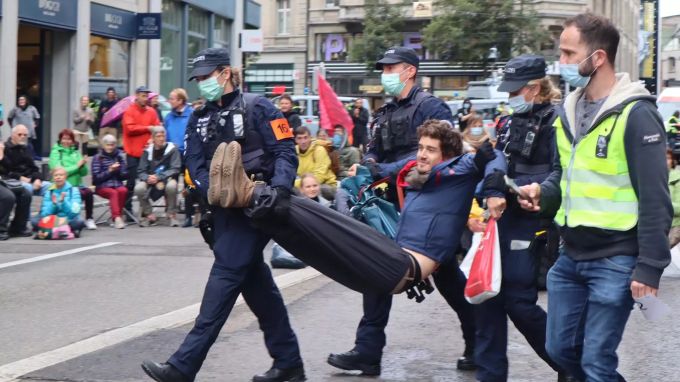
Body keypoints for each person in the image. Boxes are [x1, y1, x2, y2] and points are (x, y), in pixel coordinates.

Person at [518, 13, 671, 382]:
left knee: (597, 362)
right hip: (569, 257)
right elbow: (564, 177)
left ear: (598, 57)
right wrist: (544, 193)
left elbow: (655, 198)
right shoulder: (566, 112)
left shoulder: (637, 114)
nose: (562, 62)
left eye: (570, 54)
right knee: (559, 350)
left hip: (616, 259)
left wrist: (649, 267)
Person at [141, 48, 306, 382]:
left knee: (224, 278)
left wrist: (278, 191)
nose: (203, 83)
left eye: (207, 76)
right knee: (257, 286)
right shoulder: (198, 116)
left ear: (226, 73)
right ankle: (289, 363)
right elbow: (194, 162)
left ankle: (182, 366)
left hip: (257, 208)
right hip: (222, 210)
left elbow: (285, 151)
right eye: (198, 78)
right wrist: (210, 189)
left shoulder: (259, 107)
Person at [330, 46, 476, 376]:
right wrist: (367, 168)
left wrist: (382, 169)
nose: (384, 74)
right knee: (377, 270)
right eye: (383, 68)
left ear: (409, 71)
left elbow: (431, 156)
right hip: (393, 204)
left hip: (430, 205)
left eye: (390, 68)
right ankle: (367, 351)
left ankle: (479, 341)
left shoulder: (431, 107)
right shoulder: (384, 111)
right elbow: (373, 152)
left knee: (448, 279)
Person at [475, 54, 567, 382]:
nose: (510, 98)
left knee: (518, 302)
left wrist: (538, 191)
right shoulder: (510, 121)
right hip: (503, 218)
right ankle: (489, 375)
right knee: (486, 298)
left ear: (534, 88)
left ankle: (570, 366)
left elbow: (560, 172)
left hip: (534, 220)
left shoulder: (558, 120)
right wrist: (490, 181)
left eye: (515, 92)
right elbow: (500, 161)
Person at [122, 86, 161, 215]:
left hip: (147, 153)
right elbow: (130, 129)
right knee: (132, 182)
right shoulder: (129, 111)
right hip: (133, 152)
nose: (146, 99)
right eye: (143, 96)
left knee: (147, 182)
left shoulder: (152, 111)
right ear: (137, 96)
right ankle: (127, 209)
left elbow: (157, 127)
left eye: (147, 96)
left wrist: (152, 137)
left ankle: (145, 209)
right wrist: (147, 128)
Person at [48, 129, 96, 230]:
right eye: (64, 139)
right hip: (62, 187)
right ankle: (72, 219)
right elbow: (60, 171)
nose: (66, 141)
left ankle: (89, 218)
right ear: (60, 139)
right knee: (76, 195)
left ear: (73, 141)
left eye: (69, 139)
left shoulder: (75, 152)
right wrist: (77, 165)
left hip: (77, 184)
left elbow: (84, 173)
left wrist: (83, 165)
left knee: (88, 192)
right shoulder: (56, 152)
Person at [134, 127, 181, 227]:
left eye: (163, 136)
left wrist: (159, 177)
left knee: (172, 186)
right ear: (153, 138)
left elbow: (175, 168)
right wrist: (147, 178)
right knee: (138, 188)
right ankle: (149, 214)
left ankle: (171, 214)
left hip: (166, 178)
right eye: (158, 136)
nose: (161, 139)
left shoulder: (172, 149)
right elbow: (141, 171)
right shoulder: (147, 151)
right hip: (150, 179)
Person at [164, 88, 196, 227]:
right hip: (173, 155)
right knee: (171, 184)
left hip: (188, 154)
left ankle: (189, 215)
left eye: (172, 98)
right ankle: (172, 214)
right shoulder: (168, 117)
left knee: (189, 185)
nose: (169, 101)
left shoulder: (192, 114)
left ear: (180, 100)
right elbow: (165, 135)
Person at [32, 167, 86, 237]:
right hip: (53, 219)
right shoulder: (49, 192)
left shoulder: (74, 190)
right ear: (53, 178)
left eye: (61, 175)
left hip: (68, 218)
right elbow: (44, 213)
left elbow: (74, 213)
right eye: (56, 175)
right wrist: (53, 204)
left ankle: (50, 230)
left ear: (65, 177)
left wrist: (63, 202)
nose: (58, 177)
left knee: (79, 221)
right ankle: (66, 230)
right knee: (34, 221)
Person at [92, 134, 128, 229]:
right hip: (102, 186)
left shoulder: (120, 156)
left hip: (117, 183)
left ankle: (117, 216)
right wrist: (109, 171)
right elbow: (96, 179)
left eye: (112, 145)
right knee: (113, 193)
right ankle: (116, 218)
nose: (110, 147)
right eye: (108, 145)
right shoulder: (98, 158)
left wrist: (118, 170)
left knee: (123, 190)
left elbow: (124, 175)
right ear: (103, 145)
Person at [1, 125, 48, 196]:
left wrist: (37, 179)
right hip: (14, 181)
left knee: (50, 187)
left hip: (30, 178)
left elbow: (34, 168)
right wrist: (22, 178)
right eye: (19, 134)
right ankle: (26, 207)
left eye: (25, 135)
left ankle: (47, 207)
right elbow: (7, 171)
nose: (23, 137)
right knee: (27, 188)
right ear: (13, 135)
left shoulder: (27, 148)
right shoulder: (5, 148)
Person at [0, 140, 32, 240]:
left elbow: (9, 168)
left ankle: (18, 227)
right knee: (8, 197)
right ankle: (1, 229)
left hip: (4, 180)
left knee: (25, 193)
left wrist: (2, 155)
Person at [294, 126, 337, 199]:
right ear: (295, 140)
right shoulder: (294, 152)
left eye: (305, 137)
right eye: (299, 138)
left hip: (326, 184)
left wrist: (298, 184)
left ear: (310, 138)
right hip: (305, 186)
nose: (303, 141)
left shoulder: (319, 150)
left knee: (312, 190)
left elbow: (319, 176)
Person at [668, 149, 680, 247]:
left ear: (673, 161)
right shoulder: (649, 178)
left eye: (667, 158)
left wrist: (661, 204)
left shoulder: (677, 179)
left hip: (673, 227)